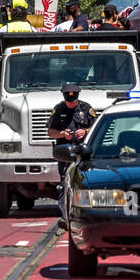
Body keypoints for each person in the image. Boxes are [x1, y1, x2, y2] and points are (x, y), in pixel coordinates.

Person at [48, 83, 95, 223]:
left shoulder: (86, 108)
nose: (71, 103)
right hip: (65, 153)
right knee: (64, 183)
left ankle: (88, 213)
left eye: (73, 101)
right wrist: (62, 134)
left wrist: (85, 131)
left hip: (83, 151)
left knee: (86, 182)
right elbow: (50, 132)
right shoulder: (58, 109)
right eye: (69, 102)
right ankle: (65, 216)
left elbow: (95, 126)